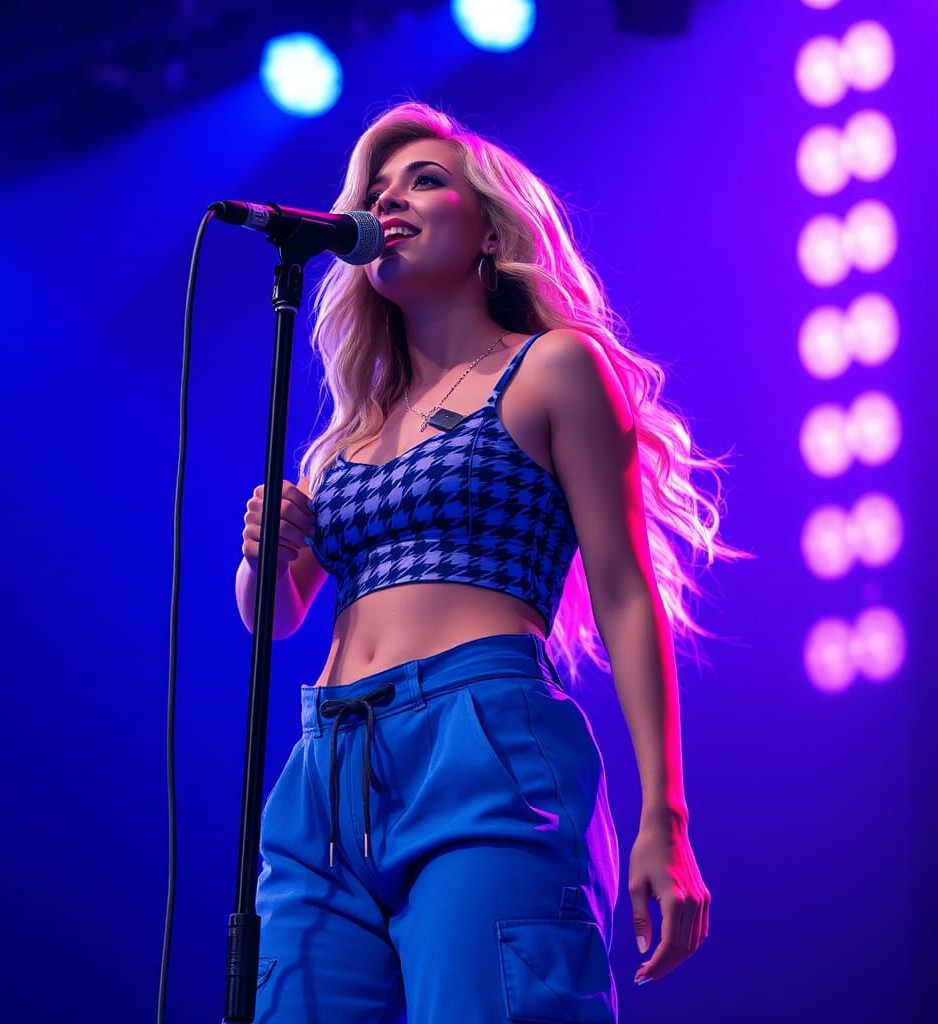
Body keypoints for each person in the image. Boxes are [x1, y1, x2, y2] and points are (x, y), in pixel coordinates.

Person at [236, 100, 743, 1023]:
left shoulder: (552, 367)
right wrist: (263, 550)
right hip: (327, 773)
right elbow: (272, 617)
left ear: (488, 232)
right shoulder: (345, 439)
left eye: (425, 181)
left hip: (480, 744)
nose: (389, 200)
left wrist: (664, 816)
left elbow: (626, 592)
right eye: (376, 191)